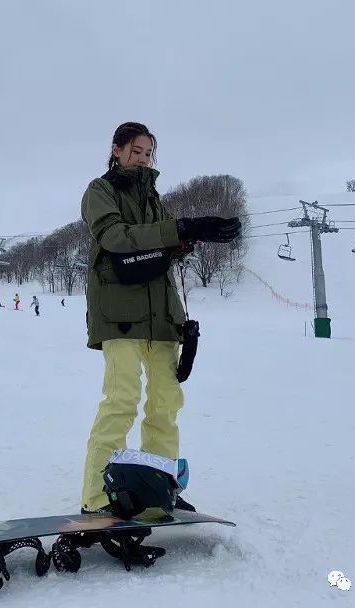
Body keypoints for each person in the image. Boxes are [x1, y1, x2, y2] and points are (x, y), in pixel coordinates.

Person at [79, 122, 241, 514]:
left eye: (148, 152)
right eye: (136, 150)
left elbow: (160, 249)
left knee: (166, 406)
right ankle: (97, 496)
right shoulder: (99, 192)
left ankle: (159, 486)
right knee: (121, 401)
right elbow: (116, 238)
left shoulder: (154, 198)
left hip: (163, 317)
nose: (143, 158)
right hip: (120, 315)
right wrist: (177, 228)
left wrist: (189, 237)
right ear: (116, 149)